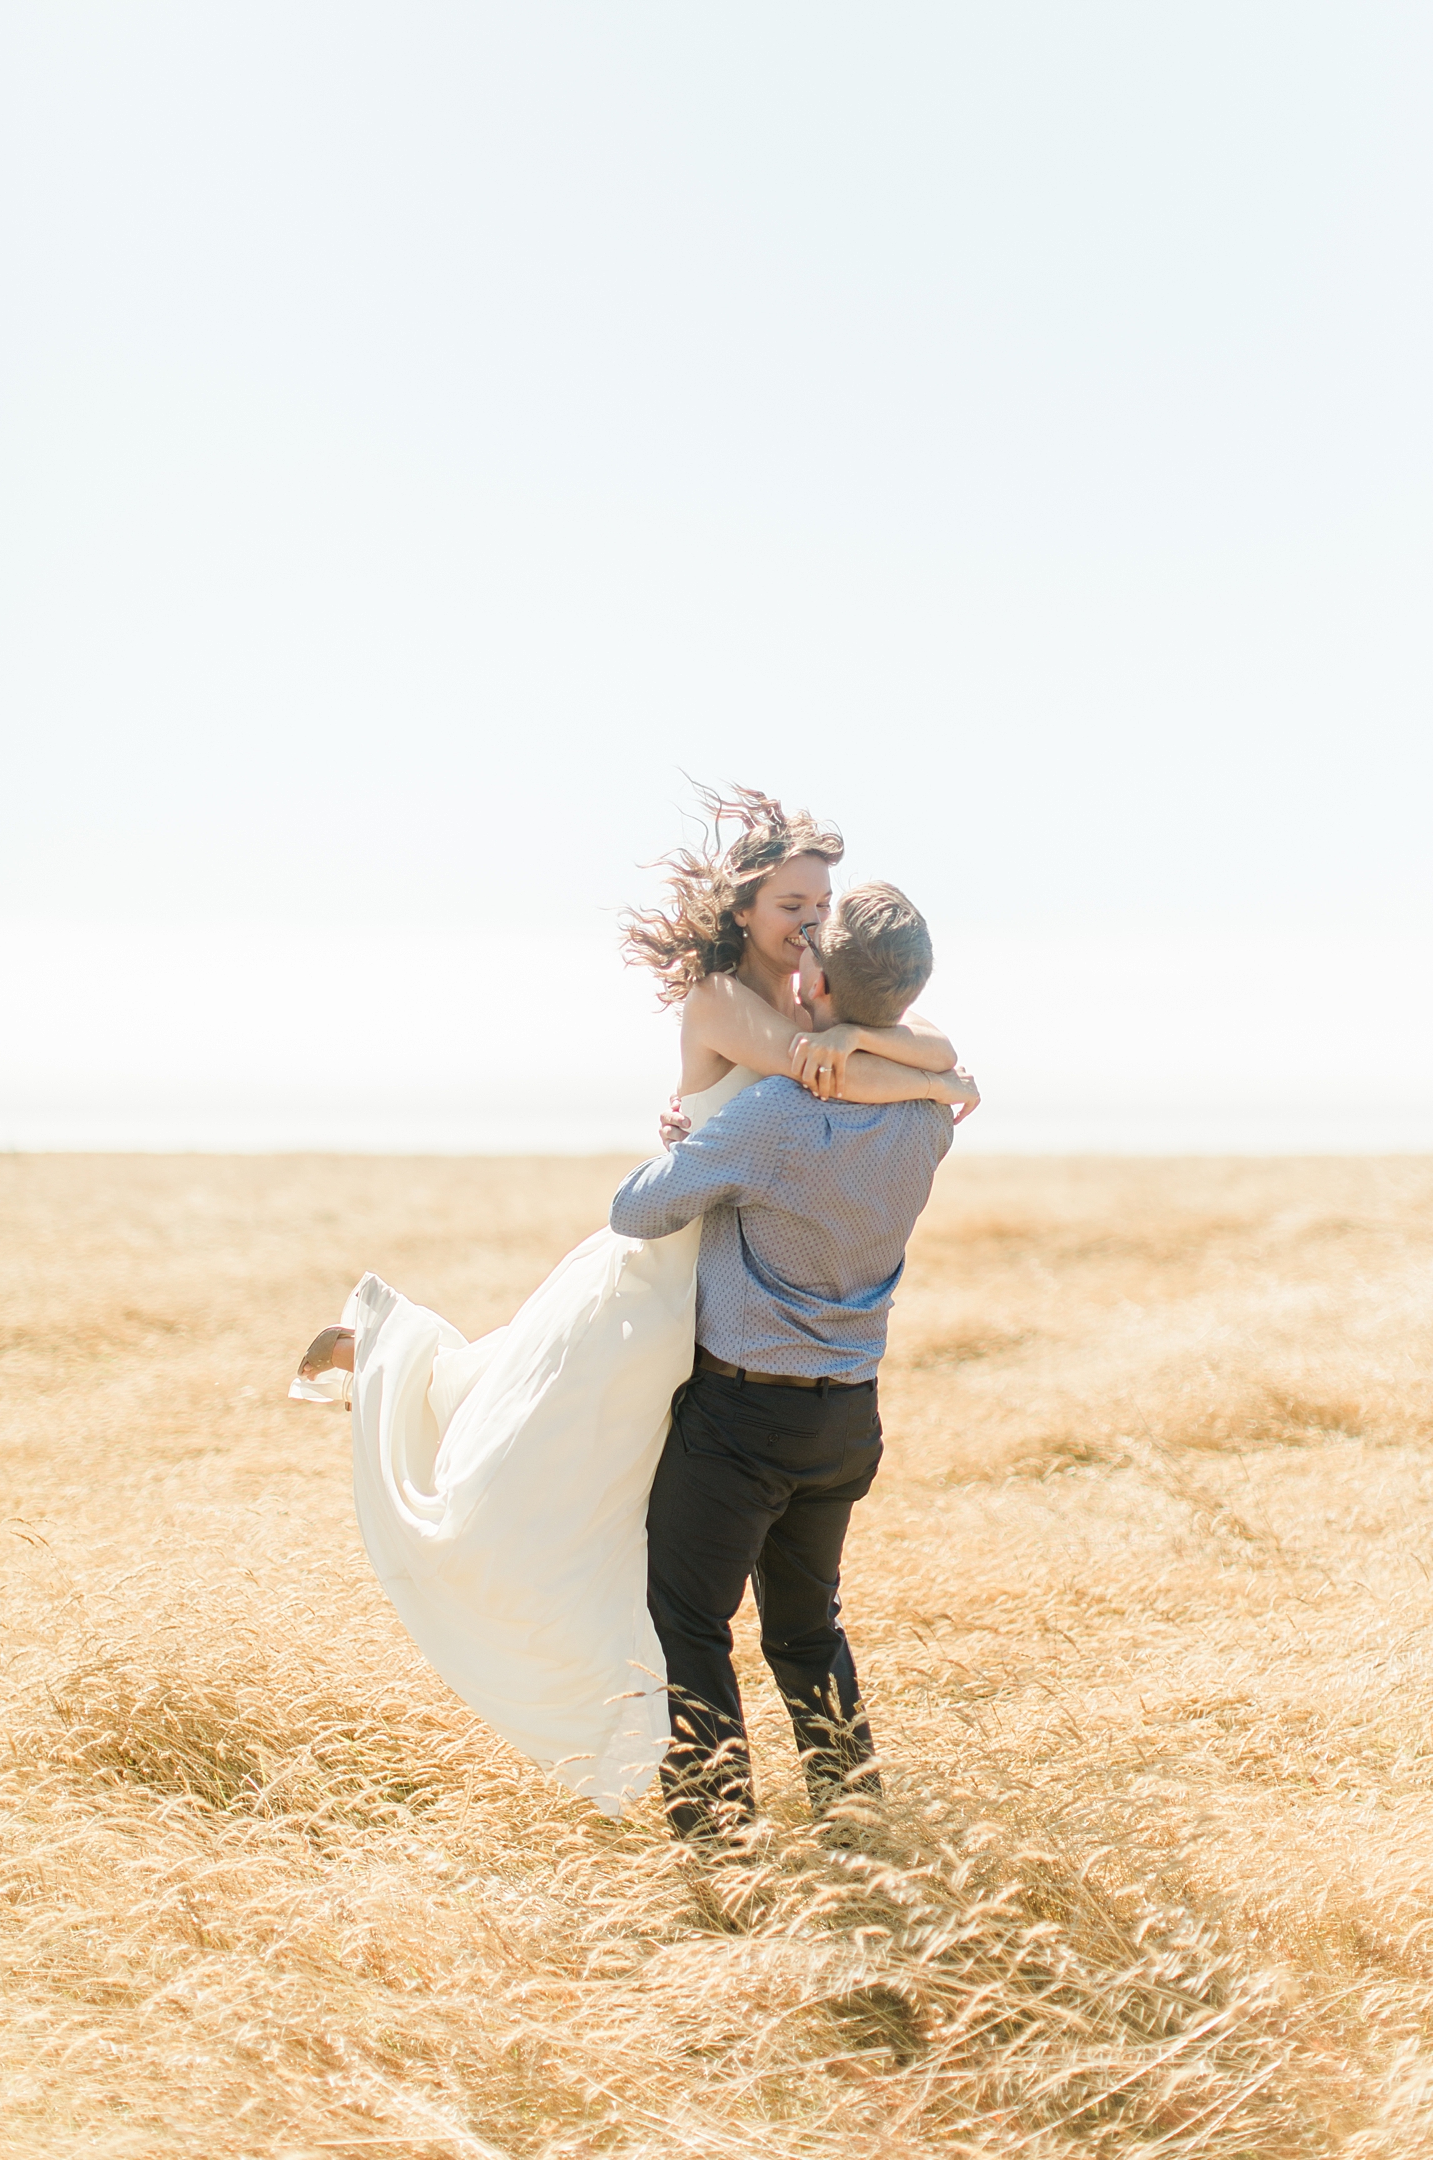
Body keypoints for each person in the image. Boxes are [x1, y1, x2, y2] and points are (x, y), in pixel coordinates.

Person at [292, 786, 977, 1815]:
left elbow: (900, 1066)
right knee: (536, 1461)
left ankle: (723, 1831)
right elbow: (829, 1083)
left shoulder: (820, 1011)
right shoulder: (730, 1007)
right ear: (745, 908)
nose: (808, 923)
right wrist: (917, 1072)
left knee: (666, 1572)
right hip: (668, 1282)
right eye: (794, 902)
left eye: (821, 906)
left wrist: (909, 1059)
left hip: (719, 1294)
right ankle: (386, 1361)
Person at [609, 880, 962, 1844]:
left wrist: (684, 1145)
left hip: (742, 1424)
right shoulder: (928, 1117)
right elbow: (942, 1066)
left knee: (687, 1627)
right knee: (807, 1635)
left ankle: (722, 1851)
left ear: (816, 977)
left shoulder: (771, 1116)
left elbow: (635, 1213)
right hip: (847, 1419)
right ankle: (858, 1831)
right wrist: (862, 1034)